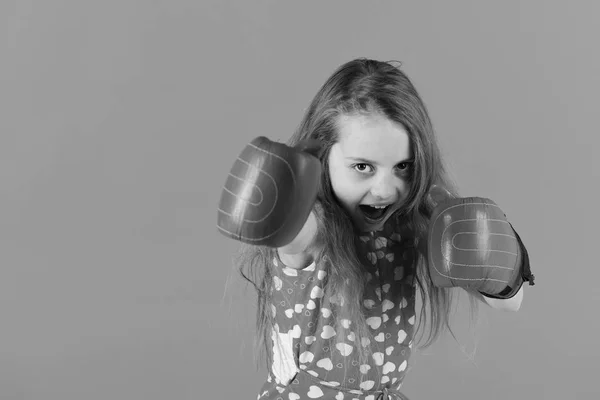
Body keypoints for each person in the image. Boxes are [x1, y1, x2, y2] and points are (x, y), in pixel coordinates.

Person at [217, 58, 534, 400]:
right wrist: (276, 193)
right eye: (363, 167)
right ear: (322, 155)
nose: (385, 189)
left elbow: (509, 303)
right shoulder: (314, 229)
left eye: (403, 167)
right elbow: (284, 232)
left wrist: (489, 251)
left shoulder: (411, 226)